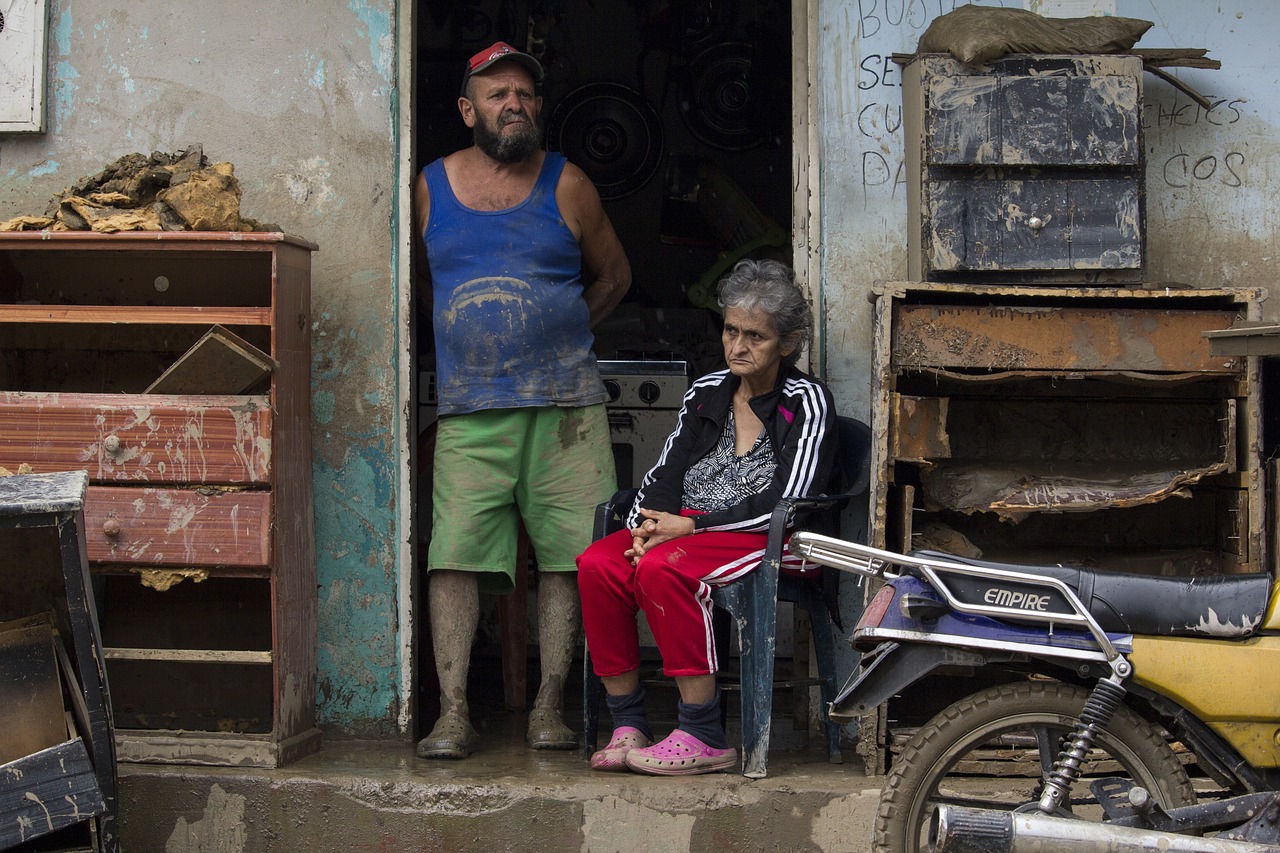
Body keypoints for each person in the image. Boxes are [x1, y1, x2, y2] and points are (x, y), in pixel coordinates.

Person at [414, 41, 631, 759]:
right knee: (452, 556)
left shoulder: (569, 184)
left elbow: (614, 275)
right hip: (470, 410)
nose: (514, 104)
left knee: (570, 559)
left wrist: (559, 334)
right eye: (498, 93)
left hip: (566, 408)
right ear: (467, 109)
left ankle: (548, 706)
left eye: (525, 94)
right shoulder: (430, 187)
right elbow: (418, 287)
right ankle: (452, 712)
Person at [577, 258, 837, 775]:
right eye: (730, 330)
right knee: (598, 564)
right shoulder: (708, 392)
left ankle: (703, 732)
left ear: (787, 343)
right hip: (688, 530)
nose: (737, 347)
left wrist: (692, 527)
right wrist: (646, 522)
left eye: (755, 337)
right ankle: (628, 722)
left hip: (770, 536)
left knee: (663, 566)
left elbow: (790, 497)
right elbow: (667, 471)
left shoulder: (806, 401)